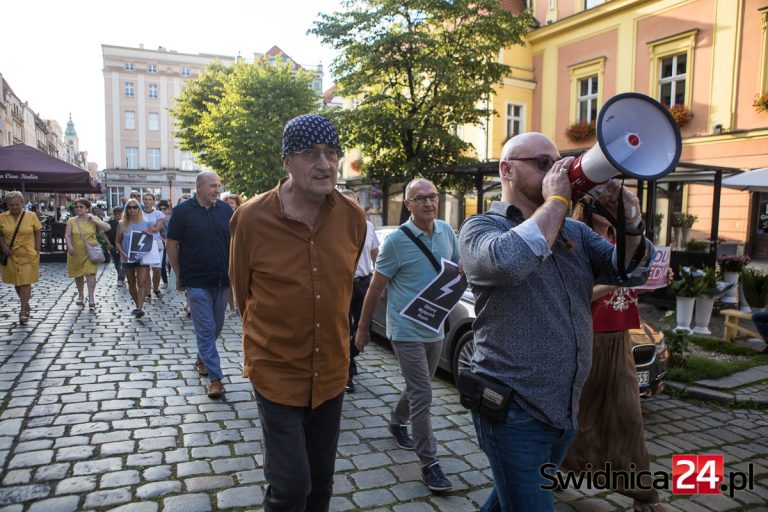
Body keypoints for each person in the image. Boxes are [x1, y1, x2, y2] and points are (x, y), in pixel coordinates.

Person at [458, 132, 654, 511]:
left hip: (565, 408)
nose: (557, 170)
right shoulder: (481, 228)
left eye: (559, 162)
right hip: (512, 409)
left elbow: (632, 272)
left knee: (509, 499)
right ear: (507, 169)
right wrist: (558, 199)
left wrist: (628, 215)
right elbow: (510, 261)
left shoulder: (574, 232)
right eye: (544, 164)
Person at [229, 114, 366, 511]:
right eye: (310, 154)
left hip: (332, 370)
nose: (324, 164)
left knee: (321, 482)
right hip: (276, 370)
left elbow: (343, 285)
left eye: (331, 154)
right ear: (287, 162)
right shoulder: (252, 218)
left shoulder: (352, 216)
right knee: (290, 486)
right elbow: (242, 293)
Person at [561, 202, 668, 512]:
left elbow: (628, 288)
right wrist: (622, 278)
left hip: (619, 338)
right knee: (575, 417)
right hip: (585, 339)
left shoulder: (622, 244)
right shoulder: (574, 241)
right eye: (603, 203)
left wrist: (652, 279)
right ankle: (552, 462)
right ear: (585, 205)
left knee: (629, 415)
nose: (611, 208)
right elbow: (580, 293)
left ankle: (644, 498)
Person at [355, 178, 459, 493]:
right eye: (420, 198)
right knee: (423, 396)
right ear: (408, 204)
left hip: (435, 327)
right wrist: (362, 328)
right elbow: (375, 287)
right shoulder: (396, 242)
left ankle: (396, 420)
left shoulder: (446, 231)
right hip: (405, 330)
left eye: (433, 197)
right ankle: (430, 464)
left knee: (419, 388)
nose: (428, 202)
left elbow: (453, 271)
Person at [166, 171, 233, 399]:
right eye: (213, 186)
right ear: (199, 187)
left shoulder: (226, 210)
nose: (217, 189)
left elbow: (234, 242)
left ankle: (201, 359)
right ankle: (215, 379)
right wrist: (179, 275)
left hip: (222, 279)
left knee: (216, 327)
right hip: (196, 281)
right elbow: (172, 245)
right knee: (205, 328)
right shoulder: (183, 212)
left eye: (219, 185)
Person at [340, 189, 380, 394]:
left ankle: (349, 357)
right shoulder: (334, 227)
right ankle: (346, 372)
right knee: (344, 328)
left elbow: (376, 256)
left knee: (366, 328)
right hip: (342, 283)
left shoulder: (368, 227)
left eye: (352, 203)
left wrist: (378, 282)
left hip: (364, 281)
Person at [0, 191, 43, 325]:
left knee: (25, 282)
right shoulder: (2, 217)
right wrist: (4, 247)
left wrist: (37, 249)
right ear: (7, 205)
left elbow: (37, 232)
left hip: (28, 253)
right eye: (11, 205)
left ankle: (23, 310)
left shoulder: (31, 216)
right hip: (11, 254)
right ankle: (26, 304)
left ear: (22, 203)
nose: (14, 207)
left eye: (17, 204)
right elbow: (0, 234)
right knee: (17, 282)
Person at [65, 198, 111, 309]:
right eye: (77, 207)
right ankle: (81, 295)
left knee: (91, 274)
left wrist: (94, 221)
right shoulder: (71, 220)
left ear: (87, 208)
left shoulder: (93, 218)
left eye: (81, 207)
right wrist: (70, 247)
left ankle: (91, 297)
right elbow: (67, 235)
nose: (78, 209)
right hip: (76, 252)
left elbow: (107, 228)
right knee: (78, 274)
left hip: (90, 252)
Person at [115, 199, 153, 318]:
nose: (132, 210)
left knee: (141, 282)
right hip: (127, 257)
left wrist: (149, 234)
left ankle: (139, 308)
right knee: (131, 283)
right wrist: (123, 254)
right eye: (129, 207)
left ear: (138, 209)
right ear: (126, 210)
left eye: (135, 207)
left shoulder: (146, 223)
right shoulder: (122, 224)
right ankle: (138, 305)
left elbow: (150, 241)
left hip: (142, 257)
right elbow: (117, 242)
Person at [142, 193, 165, 298]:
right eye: (145, 199)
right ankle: (147, 290)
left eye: (150, 199)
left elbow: (157, 228)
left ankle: (156, 287)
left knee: (157, 268)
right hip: (143, 242)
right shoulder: (139, 213)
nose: (147, 201)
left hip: (156, 241)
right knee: (146, 268)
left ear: (153, 201)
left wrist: (145, 229)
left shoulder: (158, 213)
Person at [224, 193, 243, 318]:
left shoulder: (242, 216)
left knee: (239, 280)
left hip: (239, 250)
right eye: (228, 203)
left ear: (237, 204)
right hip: (225, 251)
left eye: (232, 203)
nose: (230, 205)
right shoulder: (221, 216)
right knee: (228, 281)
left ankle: (240, 305)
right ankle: (232, 307)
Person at [106, 207, 126, 286]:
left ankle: (120, 279)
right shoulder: (110, 223)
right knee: (116, 263)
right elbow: (104, 233)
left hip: (123, 246)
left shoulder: (125, 222)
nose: (117, 216)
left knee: (123, 263)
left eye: (119, 214)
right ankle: (121, 276)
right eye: (115, 214)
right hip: (113, 245)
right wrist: (108, 243)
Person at [156, 200, 172, 286]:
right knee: (161, 263)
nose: (162, 210)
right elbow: (156, 232)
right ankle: (165, 281)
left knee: (171, 262)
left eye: (164, 208)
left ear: (168, 209)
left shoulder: (172, 218)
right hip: (161, 243)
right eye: (160, 208)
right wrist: (163, 239)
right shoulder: (157, 219)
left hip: (171, 243)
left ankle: (172, 281)